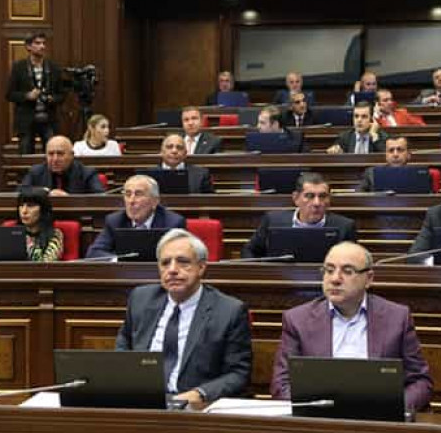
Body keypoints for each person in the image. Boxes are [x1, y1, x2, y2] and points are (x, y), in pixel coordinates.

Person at [270, 241, 433, 412]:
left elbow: (420, 381)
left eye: (347, 271)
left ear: (368, 279)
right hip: (320, 419)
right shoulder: (298, 320)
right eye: (329, 270)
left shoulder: (396, 318)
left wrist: (392, 410)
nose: (335, 279)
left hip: (379, 420)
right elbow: (281, 385)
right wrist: (313, 411)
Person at [116, 228, 252, 406]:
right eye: (165, 263)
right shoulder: (140, 299)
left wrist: (200, 394)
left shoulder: (229, 311)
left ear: (201, 267)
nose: (172, 270)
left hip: (193, 405)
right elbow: (123, 347)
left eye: (183, 262)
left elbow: (238, 373)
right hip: (141, 401)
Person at [241, 172, 356, 258]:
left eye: (322, 196)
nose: (317, 203)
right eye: (309, 196)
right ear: (296, 198)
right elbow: (249, 251)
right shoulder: (272, 221)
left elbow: (353, 262)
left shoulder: (344, 227)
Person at [86, 175, 186, 258]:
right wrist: (119, 261)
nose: (131, 201)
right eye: (127, 194)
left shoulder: (173, 223)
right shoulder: (115, 221)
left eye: (138, 194)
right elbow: (94, 253)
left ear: (155, 201)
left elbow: (180, 256)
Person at [6, 31, 65, 155]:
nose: (42, 46)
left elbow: (62, 94)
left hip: (48, 119)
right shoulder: (19, 67)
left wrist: (52, 98)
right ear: (28, 46)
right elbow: (10, 94)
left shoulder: (53, 67)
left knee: (53, 152)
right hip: (26, 120)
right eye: (37, 43)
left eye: (43, 43)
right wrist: (27, 96)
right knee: (25, 154)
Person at [20, 135, 104, 195]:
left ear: (71, 155)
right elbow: (21, 191)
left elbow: (99, 197)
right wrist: (45, 192)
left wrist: (69, 199)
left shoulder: (87, 173)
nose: (55, 159)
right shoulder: (36, 172)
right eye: (51, 154)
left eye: (60, 154)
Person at [16, 187, 64, 262]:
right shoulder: (11, 233)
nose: (24, 211)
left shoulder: (55, 235)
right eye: (21, 205)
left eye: (30, 206)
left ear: (43, 210)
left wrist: (28, 243)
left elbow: (46, 263)